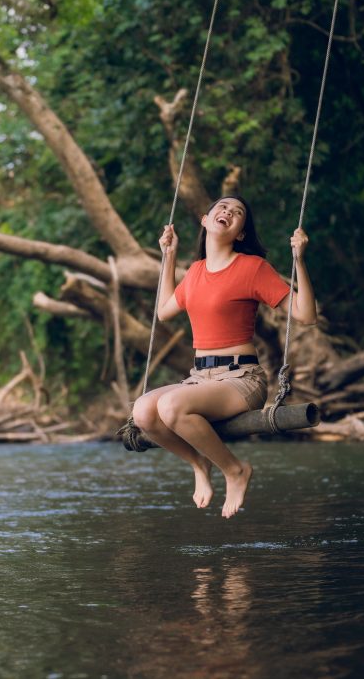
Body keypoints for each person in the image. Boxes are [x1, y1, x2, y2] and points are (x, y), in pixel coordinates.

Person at [131, 195, 316, 519]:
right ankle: (199, 462)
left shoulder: (252, 268)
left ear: (241, 233)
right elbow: (164, 312)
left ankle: (234, 470)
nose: (229, 211)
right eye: (223, 207)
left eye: (238, 211)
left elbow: (306, 315)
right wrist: (169, 256)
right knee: (143, 412)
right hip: (200, 378)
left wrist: (299, 260)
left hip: (241, 379)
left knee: (170, 406)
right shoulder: (196, 272)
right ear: (205, 220)